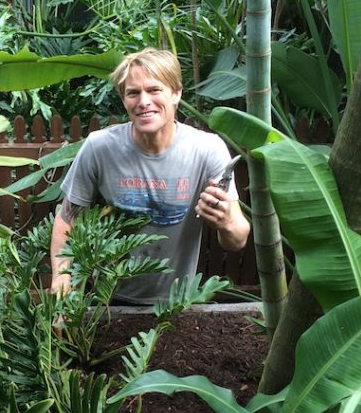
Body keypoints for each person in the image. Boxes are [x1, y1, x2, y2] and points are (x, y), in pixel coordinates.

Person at [50, 47, 250, 305]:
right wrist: (61, 278)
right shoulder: (100, 147)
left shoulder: (206, 149)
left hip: (177, 301)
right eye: (133, 93)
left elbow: (237, 239)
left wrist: (225, 222)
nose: (143, 101)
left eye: (154, 90)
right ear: (124, 99)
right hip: (106, 299)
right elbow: (68, 221)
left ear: (176, 93)